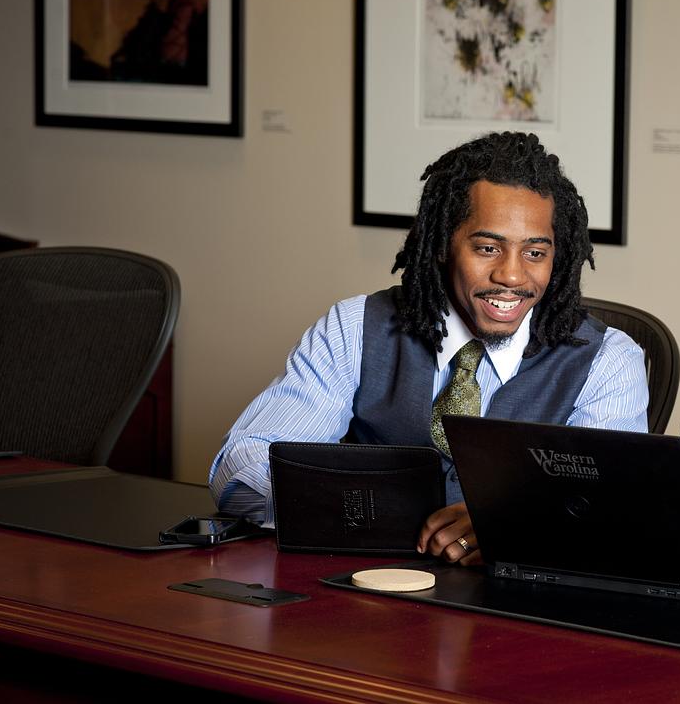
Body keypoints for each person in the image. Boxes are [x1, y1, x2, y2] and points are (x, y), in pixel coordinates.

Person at [209, 132, 649, 564]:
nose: (512, 277)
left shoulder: (608, 362)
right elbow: (238, 470)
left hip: (523, 609)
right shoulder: (355, 328)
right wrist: (380, 508)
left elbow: (614, 513)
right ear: (442, 245)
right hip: (370, 601)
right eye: (488, 247)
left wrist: (506, 523)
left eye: (535, 253)